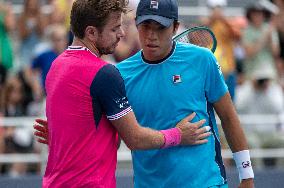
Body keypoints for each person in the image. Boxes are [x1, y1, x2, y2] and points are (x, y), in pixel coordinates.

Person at [35, 0, 254, 187]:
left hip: (206, 182)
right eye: (145, 26)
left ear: (175, 27)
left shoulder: (202, 59)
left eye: (160, 27)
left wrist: (247, 174)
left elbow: (228, 116)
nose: (151, 35)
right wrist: (65, 134)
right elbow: (119, 136)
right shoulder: (117, 74)